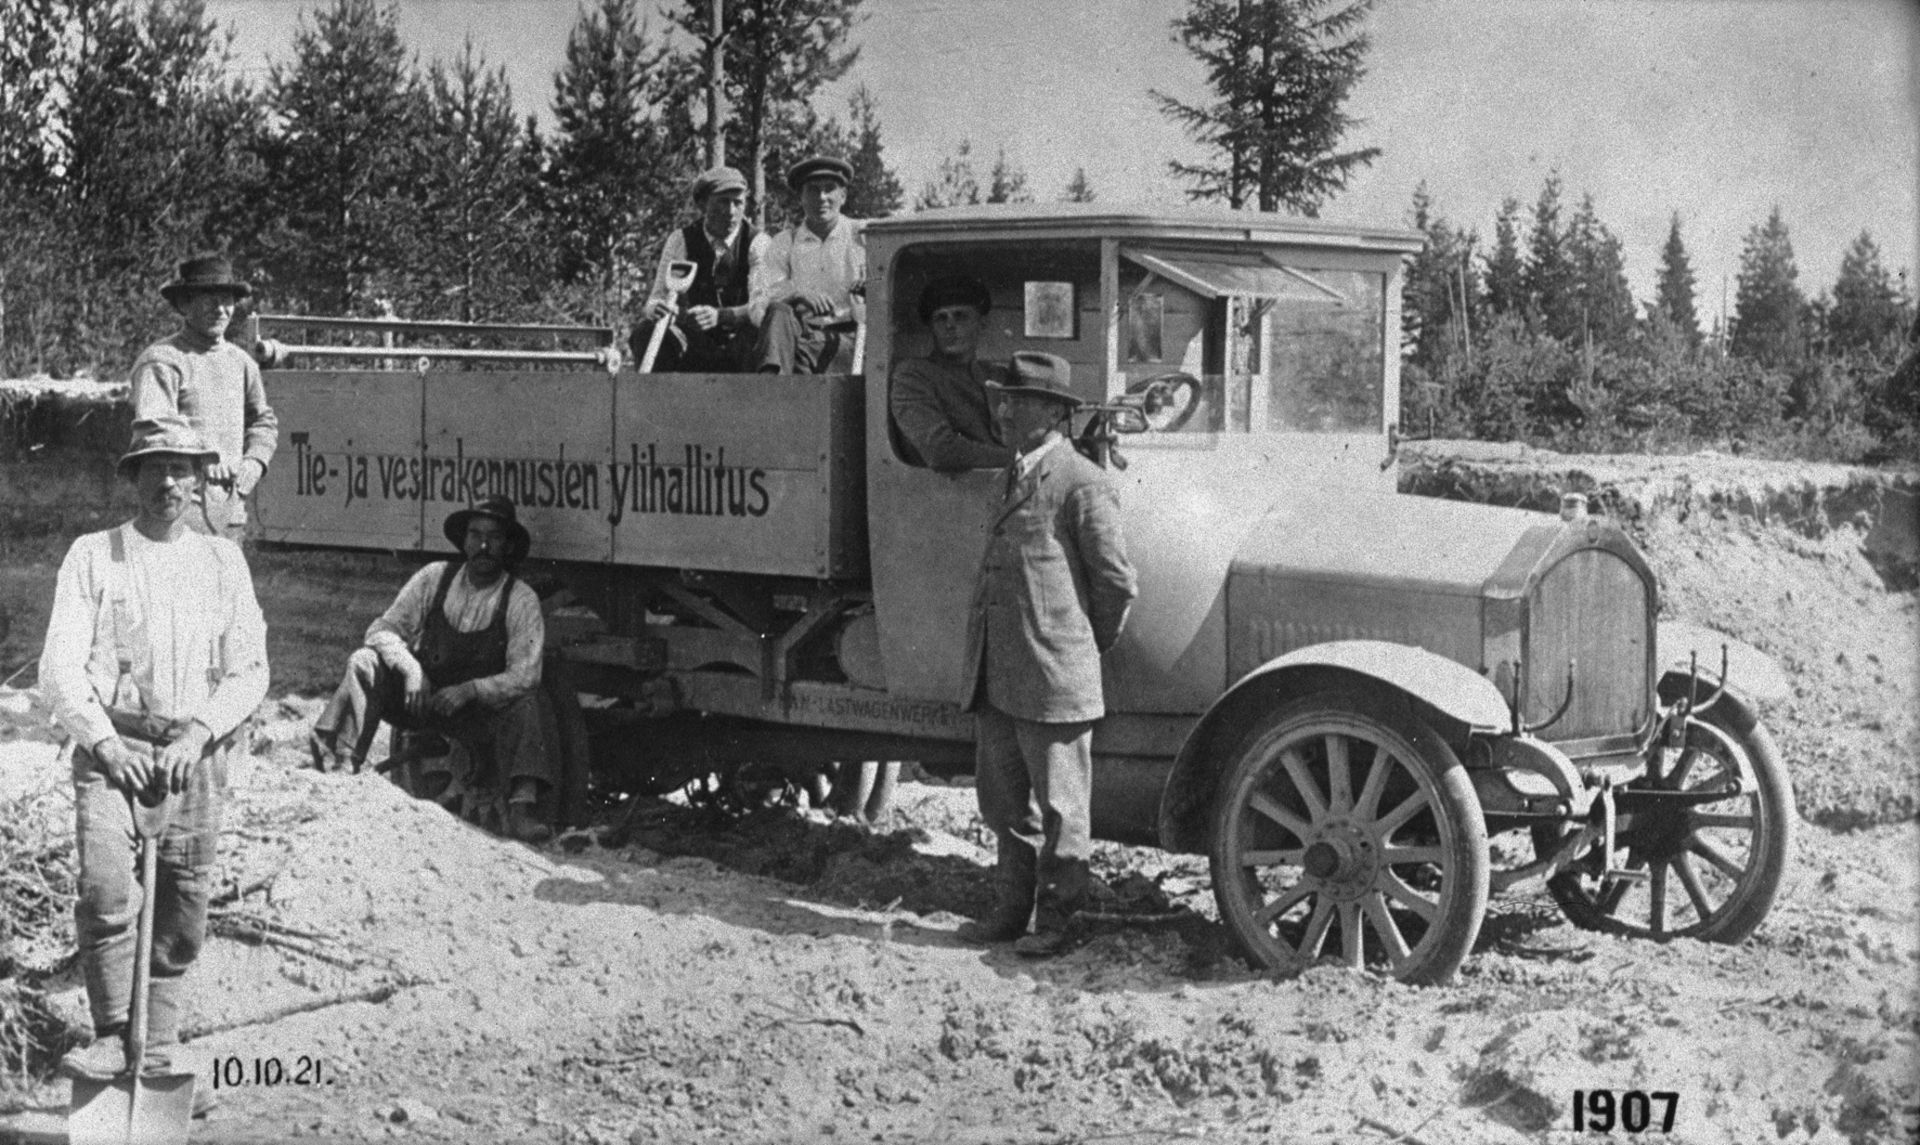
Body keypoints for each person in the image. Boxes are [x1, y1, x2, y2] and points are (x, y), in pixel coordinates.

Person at [40, 417, 269, 1081]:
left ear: (200, 478)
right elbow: (60, 667)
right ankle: (114, 1035)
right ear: (133, 476)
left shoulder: (221, 561)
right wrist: (107, 746)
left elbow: (249, 667)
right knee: (108, 885)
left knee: (181, 901)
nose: (168, 481)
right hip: (113, 744)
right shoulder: (93, 555)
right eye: (154, 467)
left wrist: (199, 733)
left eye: (181, 467)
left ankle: (159, 1049)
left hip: (189, 750)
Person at [957, 352, 1137, 958]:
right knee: (1004, 803)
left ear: (1053, 414)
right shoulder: (1010, 474)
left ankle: (1061, 921)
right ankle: (1009, 913)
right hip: (1000, 670)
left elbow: (1115, 584)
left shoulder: (1081, 482)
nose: (1002, 409)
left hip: (1054, 673)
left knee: (1062, 811)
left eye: (1017, 400)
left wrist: (1079, 646)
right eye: (1003, 398)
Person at [309, 497, 559, 844]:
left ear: (508, 545)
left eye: (494, 537)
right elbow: (381, 630)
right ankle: (344, 762)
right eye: (475, 535)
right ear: (464, 540)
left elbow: (526, 673)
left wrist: (472, 690)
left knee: (527, 703)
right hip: (424, 702)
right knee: (364, 662)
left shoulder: (520, 599)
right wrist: (411, 669)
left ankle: (520, 811)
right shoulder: (434, 578)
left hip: (480, 715)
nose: (483, 546)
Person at [130, 253, 278, 541]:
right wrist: (204, 458)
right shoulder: (161, 361)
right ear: (185, 304)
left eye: (227, 300)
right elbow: (155, 430)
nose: (220, 309)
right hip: (175, 512)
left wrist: (254, 463)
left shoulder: (241, 362)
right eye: (208, 299)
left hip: (231, 510)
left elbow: (263, 422)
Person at [631, 165, 771, 373]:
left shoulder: (758, 242)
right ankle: (655, 401)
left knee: (762, 335)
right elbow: (654, 300)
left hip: (741, 348)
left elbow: (762, 307)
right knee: (646, 332)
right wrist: (664, 311)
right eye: (723, 202)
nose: (731, 211)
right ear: (703, 204)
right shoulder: (681, 240)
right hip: (695, 345)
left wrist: (722, 316)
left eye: (738, 203)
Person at [751, 155, 866, 374]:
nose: (822, 198)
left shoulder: (864, 235)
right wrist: (796, 294)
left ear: (843, 195)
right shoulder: (785, 242)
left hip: (853, 342)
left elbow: (890, 278)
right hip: (800, 343)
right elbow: (757, 308)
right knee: (777, 311)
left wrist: (870, 286)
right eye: (813, 190)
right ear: (801, 197)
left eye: (829, 189)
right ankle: (773, 396)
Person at [890, 275, 1016, 472]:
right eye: (941, 318)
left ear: (981, 323)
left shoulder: (998, 376)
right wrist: (1016, 460)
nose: (950, 325)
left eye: (960, 316)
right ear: (931, 327)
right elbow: (941, 451)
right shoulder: (913, 376)